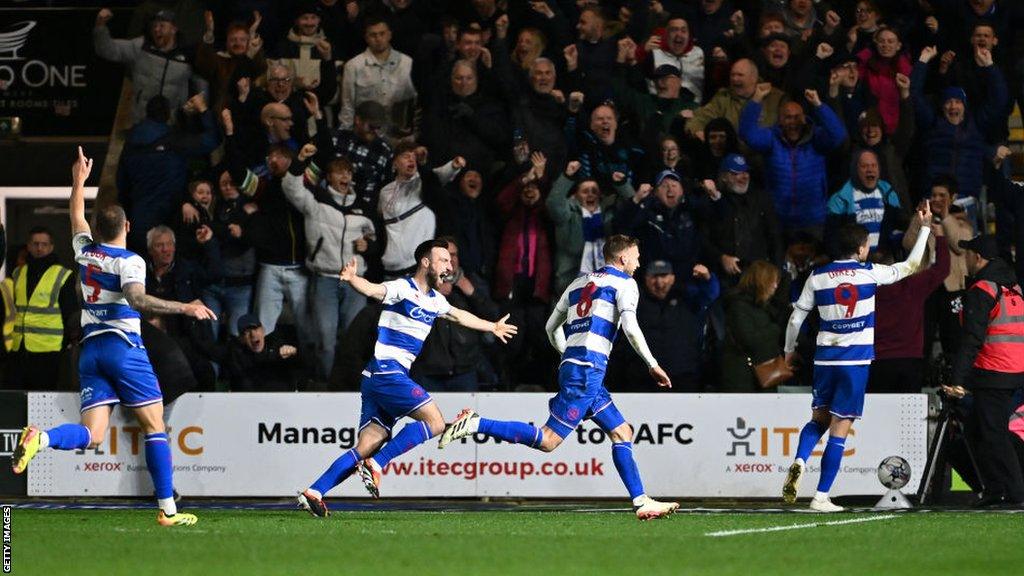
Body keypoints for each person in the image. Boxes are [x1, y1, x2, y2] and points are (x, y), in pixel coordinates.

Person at [10, 147, 215, 526]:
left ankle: (42, 438)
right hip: (123, 348)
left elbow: (75, 217)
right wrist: (185, 307)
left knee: (93, 434)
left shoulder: (84, 251)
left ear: (97, 229)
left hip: (90, 351)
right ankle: (168, 511)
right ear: (128, 227)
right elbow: (136, 299)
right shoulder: (129, 261)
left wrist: (78, 180)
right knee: (155, 427)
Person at [438, 235, 681, 521]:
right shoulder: (625, 284)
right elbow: (630, 326)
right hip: (588, 369)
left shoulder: (578, 283)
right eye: (636, 256)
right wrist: (652, 364)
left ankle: (641, 501)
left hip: (575, 365)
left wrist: (569, 354)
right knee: (548, 440)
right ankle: (475, 423)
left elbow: (551, 326)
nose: (639, 263)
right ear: (623, 257)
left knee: (622, 431)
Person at [297, 239, 517, 516]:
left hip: (377, 377)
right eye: (443, 260)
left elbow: (460, 316)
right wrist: (353, 279)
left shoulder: (436, 301)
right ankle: (377, 465)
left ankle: (314, 491)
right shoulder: (402, 288)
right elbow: (375, 290)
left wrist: (493, 326)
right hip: (387, 372)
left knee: (367, 445)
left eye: (450, 261)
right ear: (426, 262)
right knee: (435, 422)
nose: (449, 266)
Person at [780, 206, 932, 512]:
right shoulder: (868, 272)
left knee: (818, 419)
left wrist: (788, 350)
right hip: (855, 361)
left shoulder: (817, 276)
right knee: (839, 428)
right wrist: (926, 228)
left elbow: (796, 319)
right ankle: (821, 496)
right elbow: (913, 264)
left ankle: (799, 460)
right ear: (862, 248)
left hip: (824, 359)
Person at [944, 235, 1024, 507]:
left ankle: (1015, 494)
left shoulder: (983, 289)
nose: (964, 258)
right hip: (1013, 369)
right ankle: (994, 490)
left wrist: (958, 380)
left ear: (978, 257)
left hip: (994, 371)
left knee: (994, 434)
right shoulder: (1012, 286)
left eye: (968, 254)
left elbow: (972, 338)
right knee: (978, 431)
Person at [4, 227, 78, 390]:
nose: (39, 248)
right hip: (20, 348)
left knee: (44, 401)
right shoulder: (18, 273)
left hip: (49, 351)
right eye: (35, 244)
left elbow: (70, 313)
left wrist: (67, 342)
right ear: (28, 246)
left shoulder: (63, 274)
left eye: (44, 244)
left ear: (51, 247)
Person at [720, 261, 786, 393]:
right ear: (761, 281)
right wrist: (775, 329)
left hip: (763, 376)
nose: (775, 286)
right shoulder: (738, 306)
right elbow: (748, 339)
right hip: (742, 378)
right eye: (772, 281)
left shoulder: (764, 307)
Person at [225, 313, 301, 391]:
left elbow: (302, 362)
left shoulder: (278, 343)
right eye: (247, 332)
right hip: (251, 399)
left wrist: (295, 353)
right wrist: (274, 356)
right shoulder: (236, 354)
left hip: (282, 398)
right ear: (241, 339)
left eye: (256, 329)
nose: (253, 335)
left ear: (263, 331)